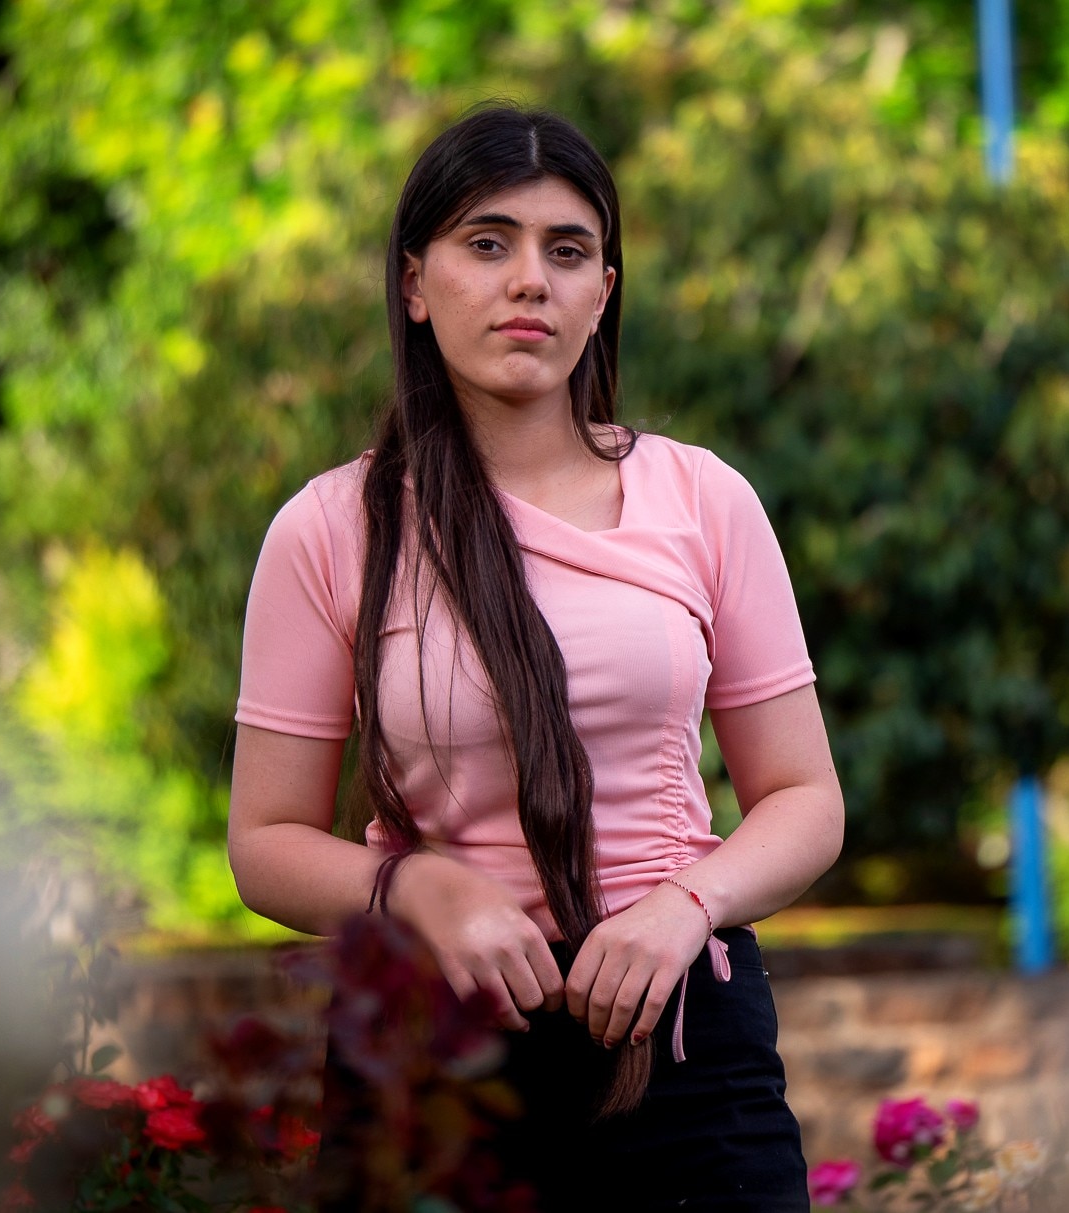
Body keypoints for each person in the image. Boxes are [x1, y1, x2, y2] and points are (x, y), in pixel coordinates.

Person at [227, 104, 844, 1212]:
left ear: (603, 291)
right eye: (487, 243)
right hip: (432, 1055)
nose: (530, 280)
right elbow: (263, 841)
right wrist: (415, 886)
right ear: (415, 283)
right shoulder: (330, 529)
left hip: (681, 1040)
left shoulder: (701, 500)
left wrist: (685, 907)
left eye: (567, 251)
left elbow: (804, 798)